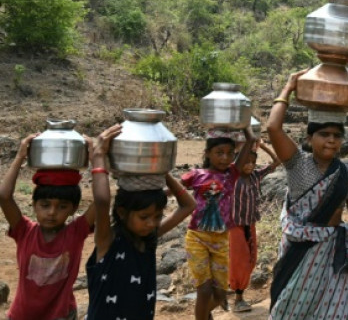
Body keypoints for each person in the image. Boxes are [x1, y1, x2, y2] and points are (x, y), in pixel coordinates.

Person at [266, 70, 348, 320]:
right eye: (324, 134)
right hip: (298, 253)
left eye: (336, 136)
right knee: (290, 310)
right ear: (310, 137)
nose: (331, 141)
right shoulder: (297, 164)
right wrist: (287, 88)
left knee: (336, 312)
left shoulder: (346, 174)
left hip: (331, 254)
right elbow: (273, 127)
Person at [85, 124, 197, 320]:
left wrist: (161, 170)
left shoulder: (148, 239)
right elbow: (102, 201)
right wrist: (99, 156)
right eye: (144, 217)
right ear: (121, 212)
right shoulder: (108, 241)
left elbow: (188, 205)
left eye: (157, 216)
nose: (151, 223)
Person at [0, 133, 96, 320]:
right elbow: (4, 197)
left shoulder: (76, 233)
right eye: (45, 205)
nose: (52, 212)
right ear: (34, 205)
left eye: (62, 206)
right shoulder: (24, 231)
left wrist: (96, 160)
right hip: (23, 315)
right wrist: (20, 156)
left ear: (74, 208)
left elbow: (101, 201)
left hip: (61, 315)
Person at [181, 127, 255, 320]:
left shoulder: (232, 174)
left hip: (221, 240)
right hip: (197, 237)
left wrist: (247, 132)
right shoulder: (196, 175)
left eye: (230, 153)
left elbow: (249, 144)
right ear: (207, 153)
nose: (225, 158)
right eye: (219, 153)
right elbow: (174, 190)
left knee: (220, 295)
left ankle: (203, 315)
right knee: (204, 290)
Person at [228, 139, 280, 312]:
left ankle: (237, 293)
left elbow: (276, 161)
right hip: (234, 225)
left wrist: (262, 145)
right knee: (239, 261)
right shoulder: (232, 177)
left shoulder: (255, 176)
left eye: (253, 162)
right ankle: (238, 299)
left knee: (251, 259)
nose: (249, 165)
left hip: (250, 224)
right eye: (246, 162)